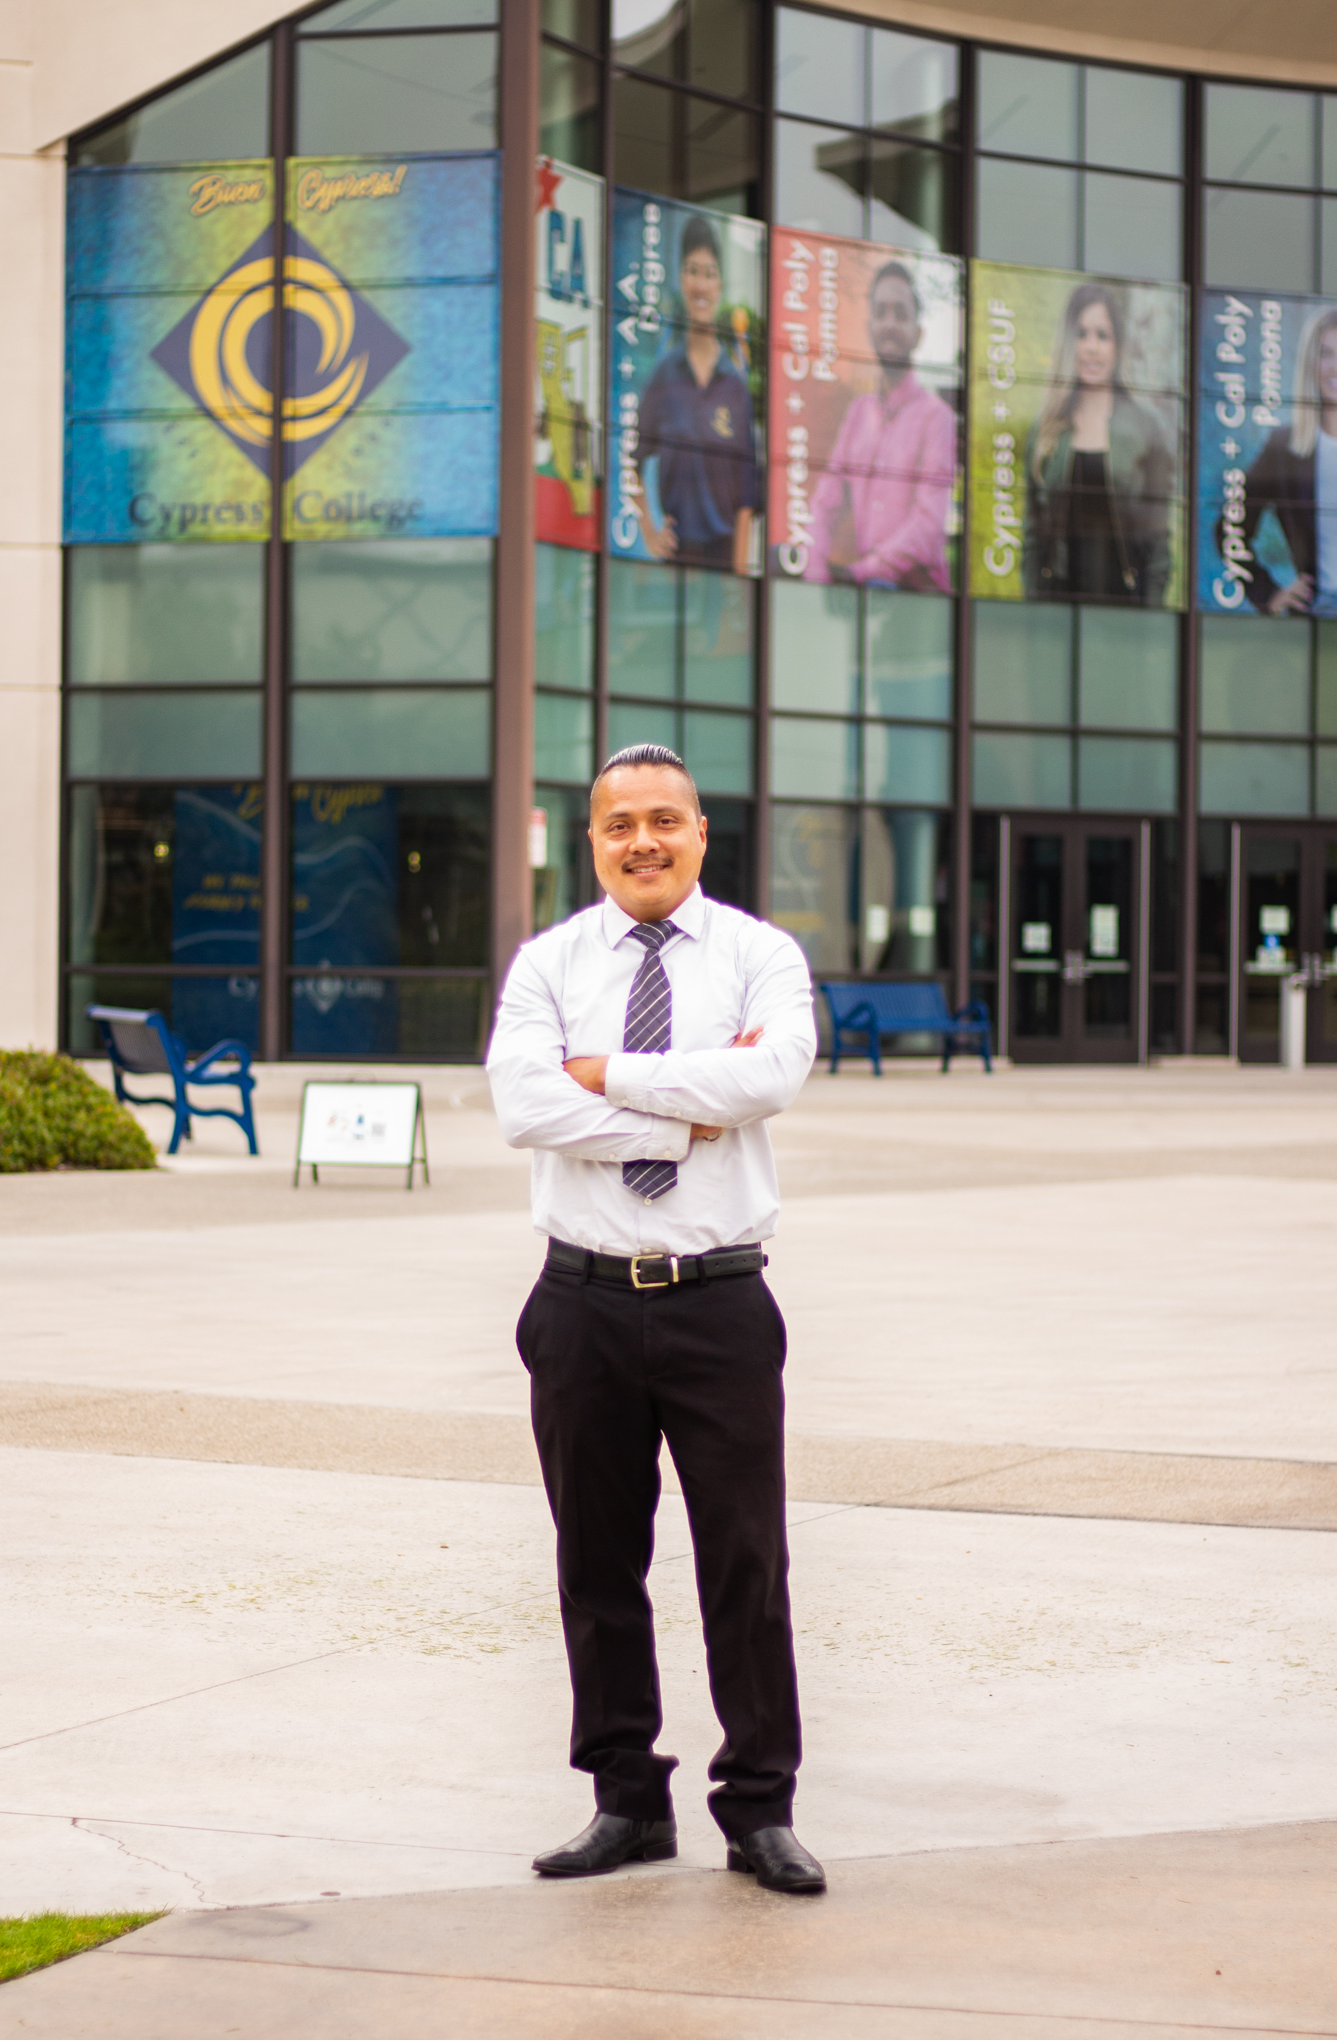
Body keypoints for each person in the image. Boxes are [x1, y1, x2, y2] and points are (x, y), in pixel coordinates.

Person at [486, 744, 824, 1896]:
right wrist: (685, 1110)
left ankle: (759, 1808)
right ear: (593, 839)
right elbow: (521, 1104)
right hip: (579, 1302)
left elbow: (773, 1074)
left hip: (720, 1300)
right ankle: (626, 1800)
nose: (643, 839)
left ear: (700, 830)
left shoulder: (760, 954)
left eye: (664, 820)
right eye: (620, 822)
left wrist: (604, 1075)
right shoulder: (548, 961)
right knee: (596, 1561)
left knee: (746, 1560)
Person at [804, 259, 957, 592]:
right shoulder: (859, 414)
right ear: (869, 325)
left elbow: (928, 524)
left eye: (901, 315)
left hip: (918, 598)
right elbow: (824, 502)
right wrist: (814, 571)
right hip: (867, 592)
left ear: (918, 334)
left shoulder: (937, 418)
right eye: (881, 312)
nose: (889, 324)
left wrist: (861, 572)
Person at [1023, 281, 1174, 603]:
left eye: (1102, 336)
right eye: (1081, 334)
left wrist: (1152, 616)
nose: (1091, 347)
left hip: (1126, 610)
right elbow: (1032, 538)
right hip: (1056, 608)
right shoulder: (1045, 429)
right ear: (1068, 343)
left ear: (1117, 346)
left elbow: (1158, 544)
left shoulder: (1146, 428)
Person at [632, 217, 759, 574]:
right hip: (675, 560)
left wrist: (739, 575)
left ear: (720, 286)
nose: (700, 284)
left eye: (709, 273)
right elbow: (633, 460)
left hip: (723, 560)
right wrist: (649, 532)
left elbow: (747, 494)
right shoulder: (664, 376)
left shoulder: (735, 386)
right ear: (680, 279)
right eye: (692, 271)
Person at [1217, 305, 1337, 615]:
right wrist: (1268, 594)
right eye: (1326, 354)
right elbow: (1229, 530)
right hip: (1316, 614)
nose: (1335, 367)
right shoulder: (1283, 448)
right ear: (1311, 363)